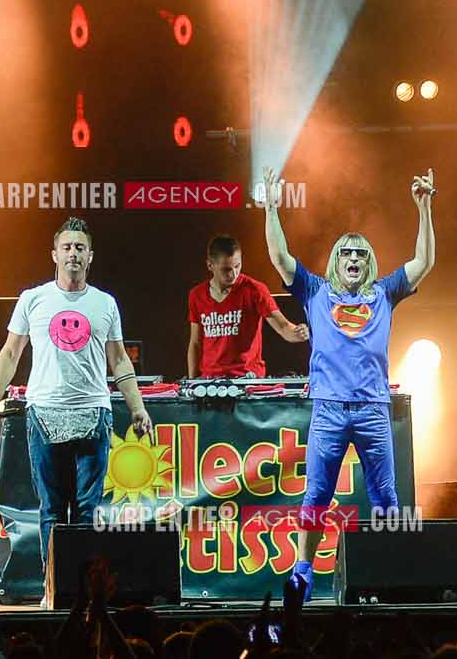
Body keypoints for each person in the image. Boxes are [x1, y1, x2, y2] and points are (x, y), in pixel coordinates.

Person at [258, 167, 436, 601]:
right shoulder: (315, 290)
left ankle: (392, 572)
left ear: (368, 262)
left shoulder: (385, 292)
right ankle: (303, 574)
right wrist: (272, 208)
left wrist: (424, 207)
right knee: (316, 496)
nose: (353, 259)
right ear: (335, 261)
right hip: (329, 409)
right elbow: (280, 258)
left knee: (386, 499)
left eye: (360, 254)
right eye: (345, 254)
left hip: (374, 409)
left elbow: (424, 262)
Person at [0, 218, 155, 575]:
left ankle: (86, 589)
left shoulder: (105, 303)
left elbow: (118, 358)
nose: (73, 253)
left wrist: (138, 408)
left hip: (93, 413)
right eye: (67, 247)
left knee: (88, 509)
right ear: (54, 254)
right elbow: (11, 352)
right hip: (44, 413)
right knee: (53, 509)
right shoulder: (33, 299)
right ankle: (55, 586)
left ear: (90, 256)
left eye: (80, 248)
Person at [186, 233, 309, 379]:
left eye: (237, 266)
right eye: (226, 269)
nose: (233, 274)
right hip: (210, 381)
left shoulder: (255, 290)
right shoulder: (196, 295)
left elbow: (282, 326)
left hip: (247, 379)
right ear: (210, 265)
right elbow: (195, 343)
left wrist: (298, 332)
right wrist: (192, 382)